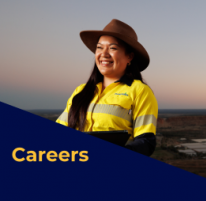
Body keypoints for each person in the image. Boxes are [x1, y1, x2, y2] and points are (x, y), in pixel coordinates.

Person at [56, 19, 158, 156]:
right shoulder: (80, 90)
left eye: (113, 48)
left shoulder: (140, 91)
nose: (104, 54)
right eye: (99, 47)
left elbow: (146, 142)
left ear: (130, 57)